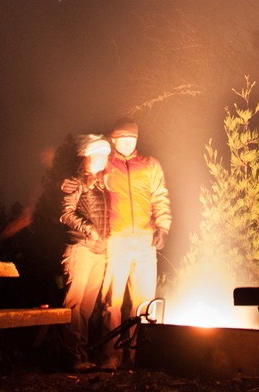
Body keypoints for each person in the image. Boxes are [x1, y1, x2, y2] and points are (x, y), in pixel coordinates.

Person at [102, 117, 170, 366]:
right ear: (113, 140)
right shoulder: (105, 167)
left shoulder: (150, 165)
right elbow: (90, 188)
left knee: (144, 302)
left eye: (132, 139)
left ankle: (139, 354)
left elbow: (160, 196)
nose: (128, 144)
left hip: (144, 241)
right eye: (123, 139)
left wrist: (163, 227)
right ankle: (112, 355)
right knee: (112, 303)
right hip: (116, 241)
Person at [58, 133, 113, 371]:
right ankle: (71, 357)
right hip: (80, 248)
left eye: (106, 155)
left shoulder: (102, 185)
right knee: (74, 303)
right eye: (99, 155)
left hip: (99, 252)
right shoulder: (75, 182)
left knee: (87, 308)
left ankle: (81, 356)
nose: (103, 159)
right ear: (88, 155)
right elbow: (66, 214)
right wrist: (89, 230)